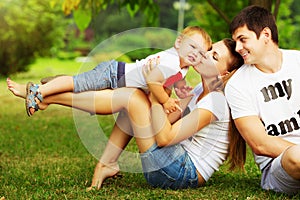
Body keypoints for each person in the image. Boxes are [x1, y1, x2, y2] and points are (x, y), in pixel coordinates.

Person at [7, 38, 244, 190]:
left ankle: (48, 96)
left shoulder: (215, 100)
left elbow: (164, 137)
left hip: (181, 173)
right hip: (173, 160)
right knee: (133, 99)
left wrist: (154, 92)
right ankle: (106, 163)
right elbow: (166, 120)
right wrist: (156, 93)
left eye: (214, 57)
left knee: (135, 99)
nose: (204, 55)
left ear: (225, 74)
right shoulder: (199, 90)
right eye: (209, 50)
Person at [23, 26, 212, 116]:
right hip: (113, 73)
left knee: (84, 91)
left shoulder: (182, 68)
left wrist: (180, 88)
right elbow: (153, 82)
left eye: (201, 53)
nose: (195, 54)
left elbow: (170, 80)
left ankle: (52, 87)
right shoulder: (171, 61)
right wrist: (166, 100)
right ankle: (39, 91)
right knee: (78, 84)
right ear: (178, 43)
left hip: (119, 82)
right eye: (192, 47)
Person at [225, 5, 300, 195]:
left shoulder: (297, 62)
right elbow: (260, 143)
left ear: (265, 34)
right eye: (235, 42)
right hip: (280, 164)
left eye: (243, 40)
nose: (238, 48)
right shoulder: (238, 84)